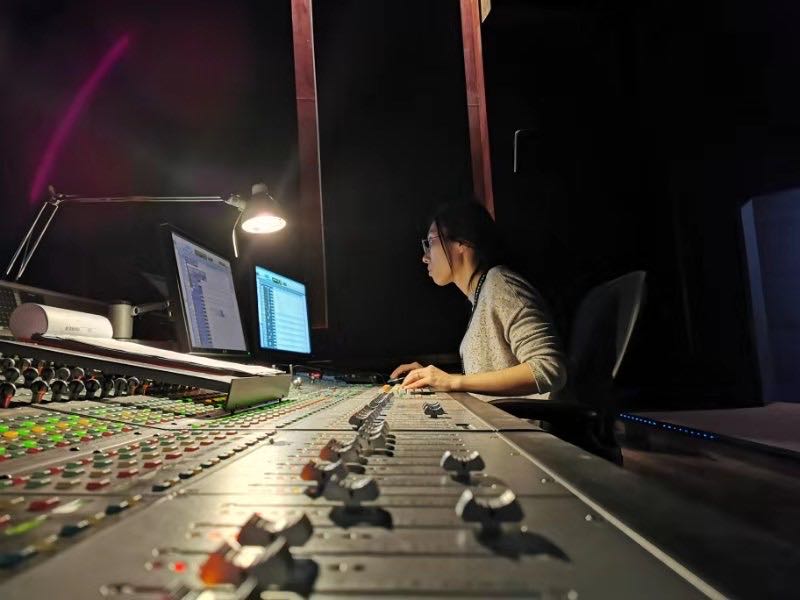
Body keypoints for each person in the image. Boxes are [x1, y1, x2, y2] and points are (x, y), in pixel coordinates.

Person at [391, 201, 567, 399]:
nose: (425, 257)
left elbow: (549, 368)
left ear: (462, 242)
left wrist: (451, 382)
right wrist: (436, 378)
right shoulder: (481, 295)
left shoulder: (500, 283)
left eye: (430, 242)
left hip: (517, 420)